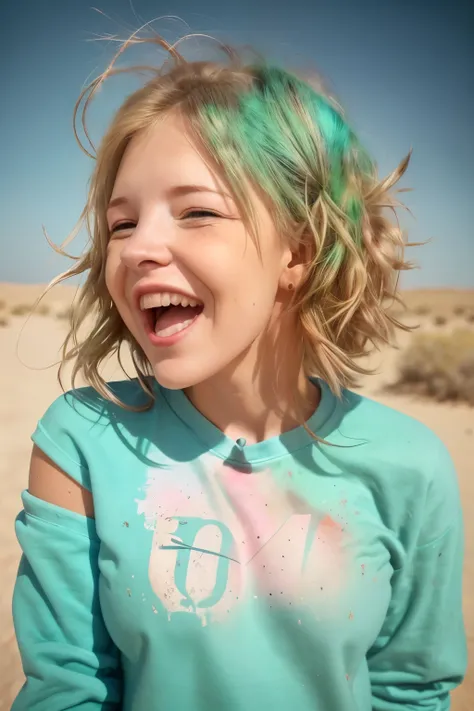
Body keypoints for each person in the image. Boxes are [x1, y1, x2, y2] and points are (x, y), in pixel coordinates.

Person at [12, 32, 467, 711]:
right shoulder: (80, 444)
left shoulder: (408, 466)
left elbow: (411, 688)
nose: (140, 248)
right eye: (122, 223)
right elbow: (66, 687)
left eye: (196, 211)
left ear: (299, 252)